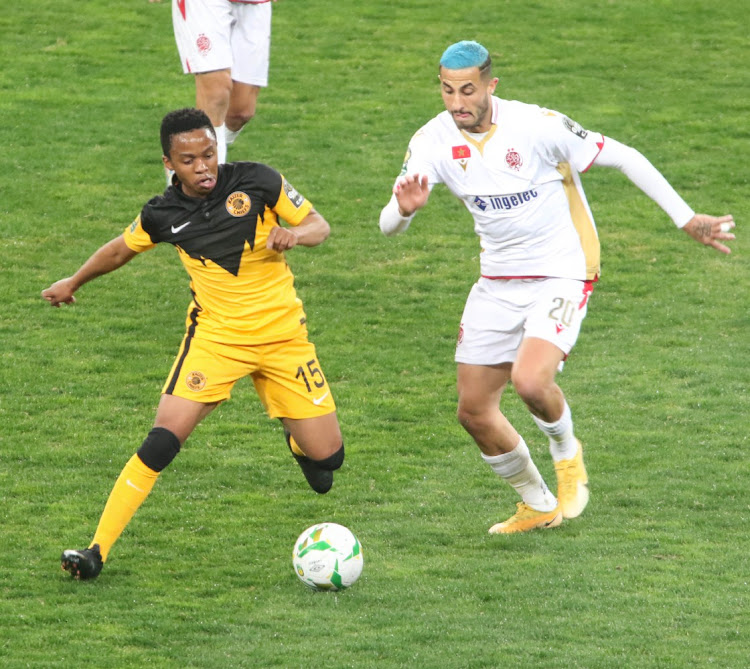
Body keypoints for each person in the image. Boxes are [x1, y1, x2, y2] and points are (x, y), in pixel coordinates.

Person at [379, 40, 735, 535]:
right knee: (474, 411)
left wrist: (685, 218)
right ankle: (537, 503)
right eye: (446, 90)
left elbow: (626, 157)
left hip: (561, 270)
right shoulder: (431, 141)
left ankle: (567, 453)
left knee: (530, 381)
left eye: (467, 90)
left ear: (490, 86)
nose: (457, 102)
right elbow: (386, 226)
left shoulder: (538, 127)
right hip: (497, 280)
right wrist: (404, 210)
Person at [43, 107, 344, 579]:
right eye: (189, 160)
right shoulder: (162, 214)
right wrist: (74, 280)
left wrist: (296, 234)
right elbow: (120, 249)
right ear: (169, 163)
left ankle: (298, 441)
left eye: (209, 153)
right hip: (217, 341)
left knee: (330, 461)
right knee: (162, 442)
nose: (203, 166)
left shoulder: (259, 181)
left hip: (285, 339)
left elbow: (319, 225)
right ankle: (95, 550)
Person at [150, 0, 276, 164]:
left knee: (240, 112)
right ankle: (207, 182)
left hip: (254, 4)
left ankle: (184, 160)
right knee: (216, 93)